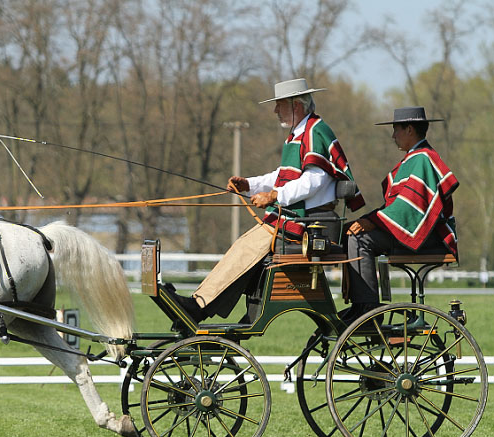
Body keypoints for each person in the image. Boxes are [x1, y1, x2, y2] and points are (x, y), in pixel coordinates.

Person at [172, 78, 364, 322]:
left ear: (296, 105)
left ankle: (198, 306)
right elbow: (282, 175)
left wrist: (275, 196)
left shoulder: (316, 132)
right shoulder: (299, 134)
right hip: (298, 218)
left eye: (279, 105)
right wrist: (250, 184)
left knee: (248, 246)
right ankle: (201, 304)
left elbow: (313, 181)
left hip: (312, 224)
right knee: (245, 245)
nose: (275, 111)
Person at [344, 106, 458, 320]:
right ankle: (361, 307)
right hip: (422, 232)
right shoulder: (415, 158)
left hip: (430, 237)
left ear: (409, 129)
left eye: (396, 129)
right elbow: (399, 208)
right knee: (350, 231)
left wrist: (374, 221)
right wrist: (369, 219)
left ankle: (368, 312)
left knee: (360, 240)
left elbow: (408, 208)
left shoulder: (422, 159)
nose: (393, 135)